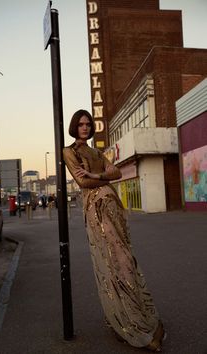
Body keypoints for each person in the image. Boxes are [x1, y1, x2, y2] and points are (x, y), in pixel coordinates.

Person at [63, 109, 165, 352]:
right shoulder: (70, 152)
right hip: (96, 210)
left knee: (125, 260)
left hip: (112, 208)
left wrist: (97, 174)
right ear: (74, 127)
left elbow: (116, 172)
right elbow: (82, 182)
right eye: (81, 124)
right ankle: (124, 320)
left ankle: (134, 315)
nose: (85, 128)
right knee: (111, 263)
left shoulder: (96, 152)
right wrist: (101, 177)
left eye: (88, 124)